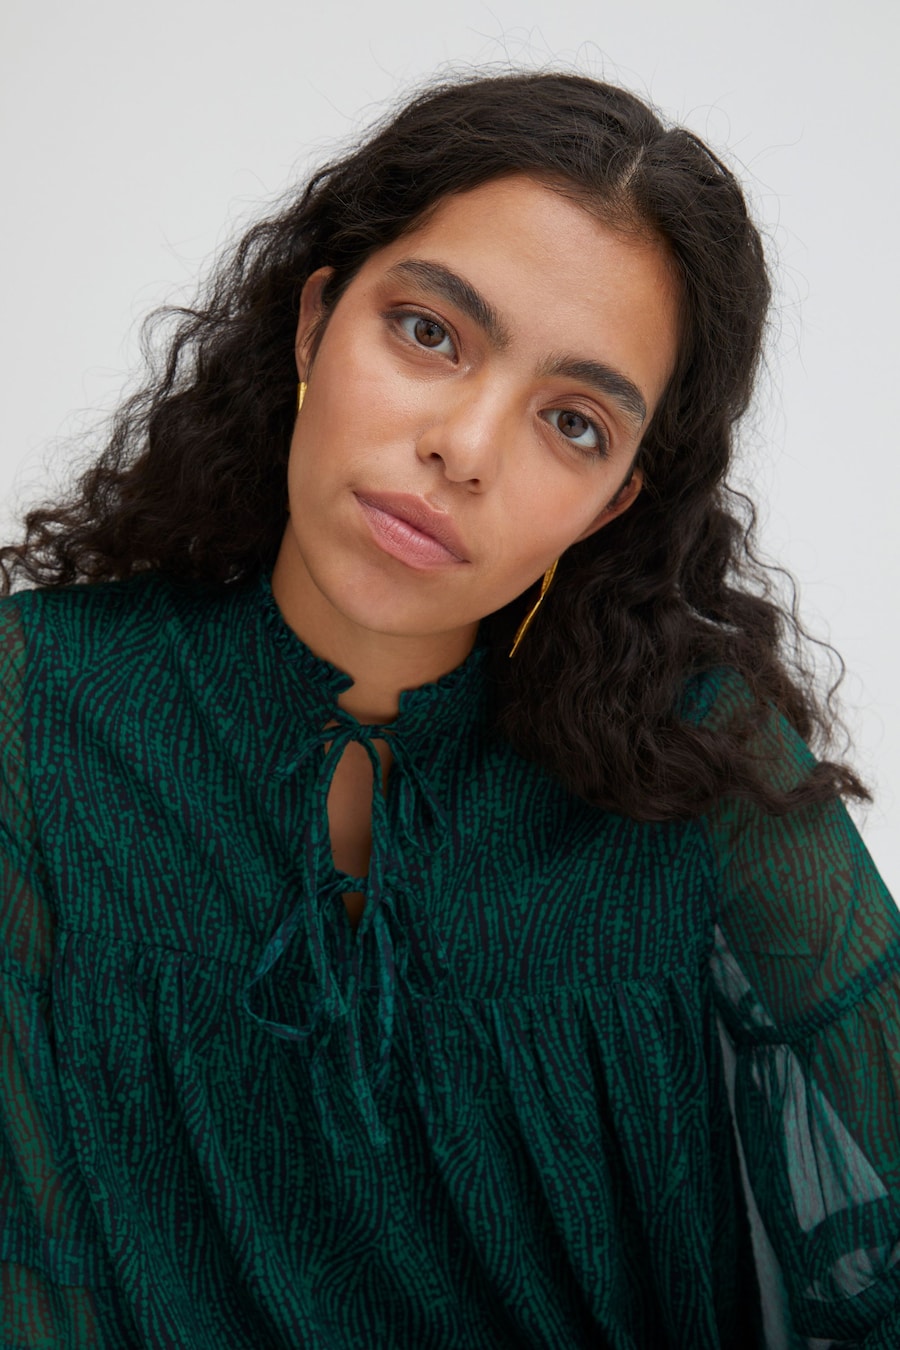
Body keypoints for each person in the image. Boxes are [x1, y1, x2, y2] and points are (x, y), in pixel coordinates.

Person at [1, 68, 897, 1349]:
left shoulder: (699, 758)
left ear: (612, 505)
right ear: (316, 324)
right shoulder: (36, 707)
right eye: (429, 332)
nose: (465, 448)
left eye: (574, 423)